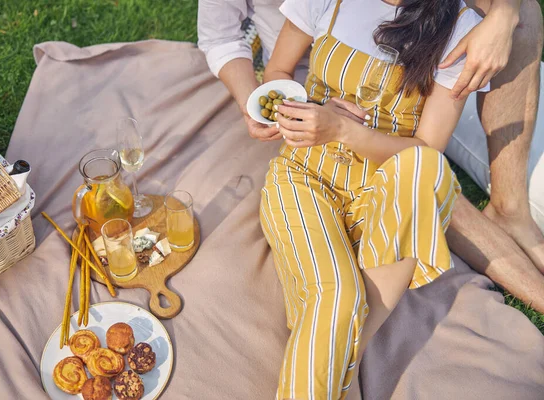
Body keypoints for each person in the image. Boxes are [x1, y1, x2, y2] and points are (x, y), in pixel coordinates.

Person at [198, 0, 544, 312]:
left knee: (523, 13)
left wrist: (505, 12)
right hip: (313, 87)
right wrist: (258, 102)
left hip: (412, 79)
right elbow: (221, 39)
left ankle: (509, 206)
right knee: (432, 190)